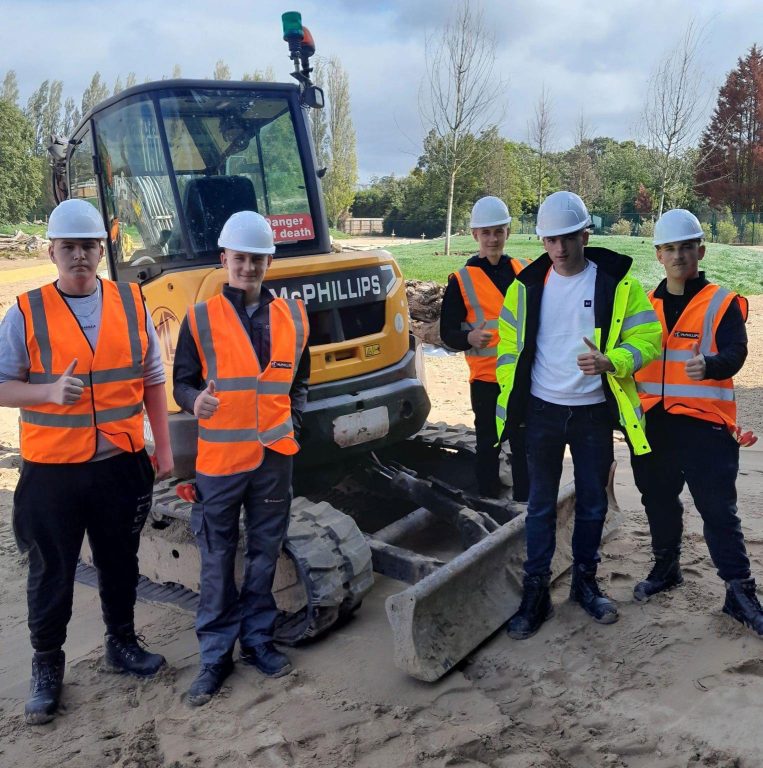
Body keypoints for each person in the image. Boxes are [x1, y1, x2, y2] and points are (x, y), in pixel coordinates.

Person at [0, 199, 173, 725]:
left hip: (120, 461)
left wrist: (162, 448)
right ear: (52, 250)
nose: (79, 255)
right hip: (53, 470)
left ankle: (121, 643)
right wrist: (48, 392)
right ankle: (47, 666)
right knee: (52, 570)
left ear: (103, 249)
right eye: (69, 246)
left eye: (89, 246)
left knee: (121, 561)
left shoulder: (131, 301)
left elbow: (152, 379)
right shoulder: (25, 312)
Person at [495, 191, 662, 638]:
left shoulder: (615, 284)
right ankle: (536, 594)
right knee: (539, 508)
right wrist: (518, 400)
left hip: (591, 415)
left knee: (591, 504)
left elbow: (649, 336)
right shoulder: (526, 287)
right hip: (543, 413)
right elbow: (508, 348)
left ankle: (585, 585)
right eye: (551, 239)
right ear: (542, 240)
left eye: (568, 237)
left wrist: (615, 361)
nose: (560, 248)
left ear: (585, 233)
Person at [173, 210, 310, 706]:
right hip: (221, 461)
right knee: (216, 559)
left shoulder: (292, 316)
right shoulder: (200, 318)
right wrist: (195, 402)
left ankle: (257, 642)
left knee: (263, 556)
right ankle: (214, 657)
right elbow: (182, 383)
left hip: (274, 458)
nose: (248, 267)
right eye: (240, 258)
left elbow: (299, 378)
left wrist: (296, 413)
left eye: (257, 259)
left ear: (268, 261)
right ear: (224, 259)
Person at [631, 208, 763, 636]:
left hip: (706, 427)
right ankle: (667, 568)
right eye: (670, 248)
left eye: (686, 247)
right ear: (658, 255)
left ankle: (739, 591)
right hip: (654, 425)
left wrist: (710, 364)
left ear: (700, 250)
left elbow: (737, 353)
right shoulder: (643, 306)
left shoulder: (721, 302)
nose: (679, 255)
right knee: (658, 501)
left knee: (717, 510)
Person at [439, 196, 530, 500]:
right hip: (486, 380)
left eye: (498, 232)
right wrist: (468, 339)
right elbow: (447, 332)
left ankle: (524, 501)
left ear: (508, 232)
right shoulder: (461, 280)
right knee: (488, 444)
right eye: (486, 233)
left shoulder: (524, 271)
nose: (493, 239)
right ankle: (489, 499)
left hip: (523, 376)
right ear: (475, 235)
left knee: (523, 443)